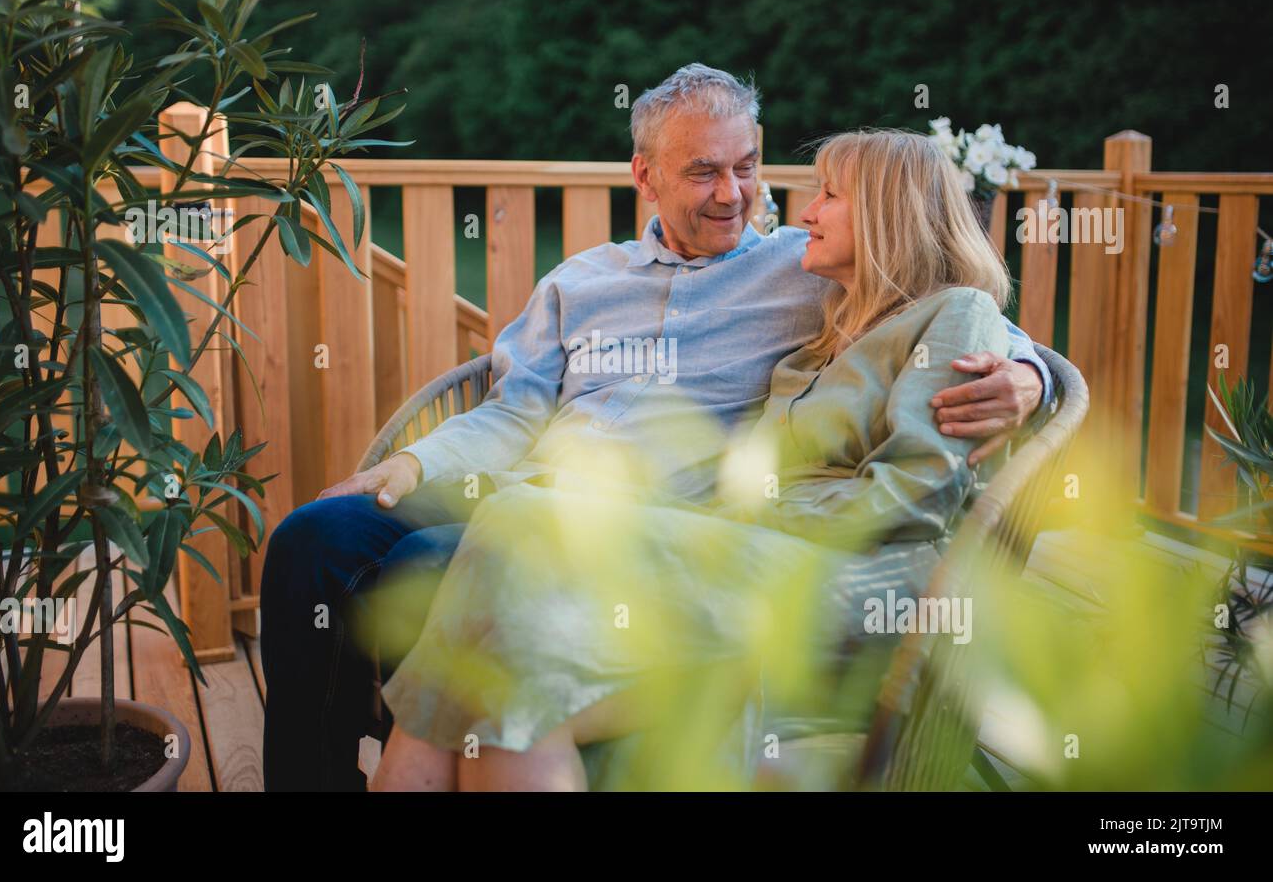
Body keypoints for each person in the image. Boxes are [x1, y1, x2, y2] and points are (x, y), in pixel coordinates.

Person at [259, 65, 1051, 791]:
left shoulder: (803, 268)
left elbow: (948, 305)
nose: (733, 194)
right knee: (312, 539)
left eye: (745, 166)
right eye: (704, 171)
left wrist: (1031, 379)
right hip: (508, 482)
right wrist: (415, 465)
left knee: (420, 572)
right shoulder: (582, 280)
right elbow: (509, 409)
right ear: (645, 176)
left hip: (638, 526)